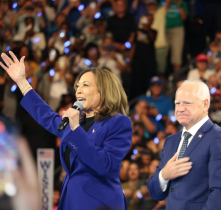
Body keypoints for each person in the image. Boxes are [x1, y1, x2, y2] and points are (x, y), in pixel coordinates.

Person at [0, 51, 132, 210]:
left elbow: (104, 164)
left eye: (85, 85)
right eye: (77, 86)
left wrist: (76, 129)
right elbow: (46, 115)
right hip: (70, 201)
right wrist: (21, 81)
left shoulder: (118, 122)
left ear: (103, 91)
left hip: (100, 203)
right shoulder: (76, 122)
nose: (78, 90)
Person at [147, 79, 221, 210]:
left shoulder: (220, 137)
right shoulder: (170, 141)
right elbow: (154, 192)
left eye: (187, 103)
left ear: (205, 104)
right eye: (177, 103)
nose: (180, 109)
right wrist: (164, 175)